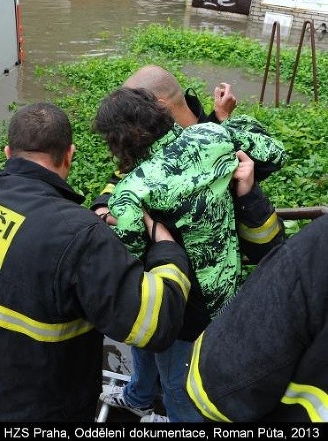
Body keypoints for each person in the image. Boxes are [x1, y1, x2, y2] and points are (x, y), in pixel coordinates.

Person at [0, 102, 193, 422]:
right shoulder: (79, 235)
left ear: (10, 153)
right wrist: (167, 248)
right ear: (69, 155)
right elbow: (155, 322)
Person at [95, 86, 285, 422]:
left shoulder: (131, 191)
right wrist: (231, 126)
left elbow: (127, 256)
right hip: (226, 289)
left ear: (118, 142)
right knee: (173, 356)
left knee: (178, 390)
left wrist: (107, 220)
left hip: (178, 308)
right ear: (159, 112)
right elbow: (273, 152)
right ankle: (139, 394)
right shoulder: (211, 134)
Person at [91, 65, 284, 265]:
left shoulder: (218, 140)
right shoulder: (147, 146)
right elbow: (122, 176)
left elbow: (269, 155)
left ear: (160, 107)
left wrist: (248, 194)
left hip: (215, 270)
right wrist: (102, 206)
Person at [186, 213, 328, 422]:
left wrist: (248, 198)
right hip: (203, 312)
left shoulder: (318, 251)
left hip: (209, 317)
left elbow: (219, 386)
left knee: (172, 382)